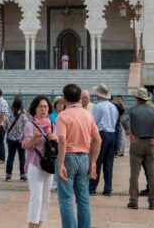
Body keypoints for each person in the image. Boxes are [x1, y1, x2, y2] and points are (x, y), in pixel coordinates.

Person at [56, 84, 101, 228]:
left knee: (66, 200)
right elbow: (98, 139)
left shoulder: (62, 116)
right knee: (83, 199)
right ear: (79, 98)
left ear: (63, 99)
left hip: (68, 156)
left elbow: (62, 141)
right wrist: (93, 161)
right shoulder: (88, 115)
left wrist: (61, 163)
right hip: (84, 158)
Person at [124, 88, 154, 210]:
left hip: (137, 143)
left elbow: (123, 120)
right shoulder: (153, 110)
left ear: (136, 99)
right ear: (146, 99)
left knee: (134, 174)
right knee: (152, 174)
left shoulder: (131, 110)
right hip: (151, 143)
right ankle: (152, 202)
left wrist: (129, 134)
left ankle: (133, 201)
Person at [22, 95, 58, 228]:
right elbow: (26, 145)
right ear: (35, 109)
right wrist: (34, 139)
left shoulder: (53, 125)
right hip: (35, 164)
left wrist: (56, 139)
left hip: (49, 164)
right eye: (40, 106)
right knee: (36, 197)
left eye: (46, 106)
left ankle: (40, 224)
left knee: (46, 198)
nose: (43, 109)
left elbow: (60, 144)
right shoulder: (30, 125)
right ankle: (32, 225)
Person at [89, 84, 119, 196]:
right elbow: (115, 121)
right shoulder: (113, 106)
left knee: (96, 161)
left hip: (101, 134)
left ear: (99, 95)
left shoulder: (98, 106)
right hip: (112, 134)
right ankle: (108, 189)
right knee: (108, 163)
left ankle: (92, 187)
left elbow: (93, 122)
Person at [3, 97, 29, 182]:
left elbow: (5, 127)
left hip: (11, 139)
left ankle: (8, 175)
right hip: (21, 140)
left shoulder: (8, 115)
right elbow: (27, 128)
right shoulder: (24, 116)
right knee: (22, 158)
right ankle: (23, 175)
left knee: (10, 157)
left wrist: (9, 133)